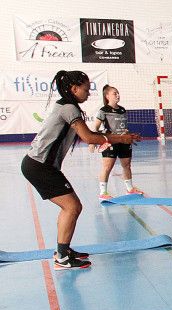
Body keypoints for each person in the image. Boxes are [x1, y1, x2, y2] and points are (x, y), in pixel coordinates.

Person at [21, 71, 140, 270]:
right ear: (74, 89)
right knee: (72, 207)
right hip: (39, 166)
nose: (88, 93)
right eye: (86, 89)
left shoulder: (67, 106)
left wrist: (117, 137)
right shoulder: (69, 108)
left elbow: (92, 134)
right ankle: (61, 256)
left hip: (41, 166)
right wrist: (120, 139)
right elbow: (88, 137)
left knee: (72, 206)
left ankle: (63, 250)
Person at [90, 85, 143, 200]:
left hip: (124, 141)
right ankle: (103, 192)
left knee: (127, 165)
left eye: (118, 93)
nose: (118, 95)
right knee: (107, 167)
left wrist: (127, 133)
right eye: (115, 93)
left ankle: (130, 189)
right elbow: (95, 127)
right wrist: (92, 142)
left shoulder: (122, 110)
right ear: (107, 96)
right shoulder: (103, 111)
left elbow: (124, 127)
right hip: (110, 142)